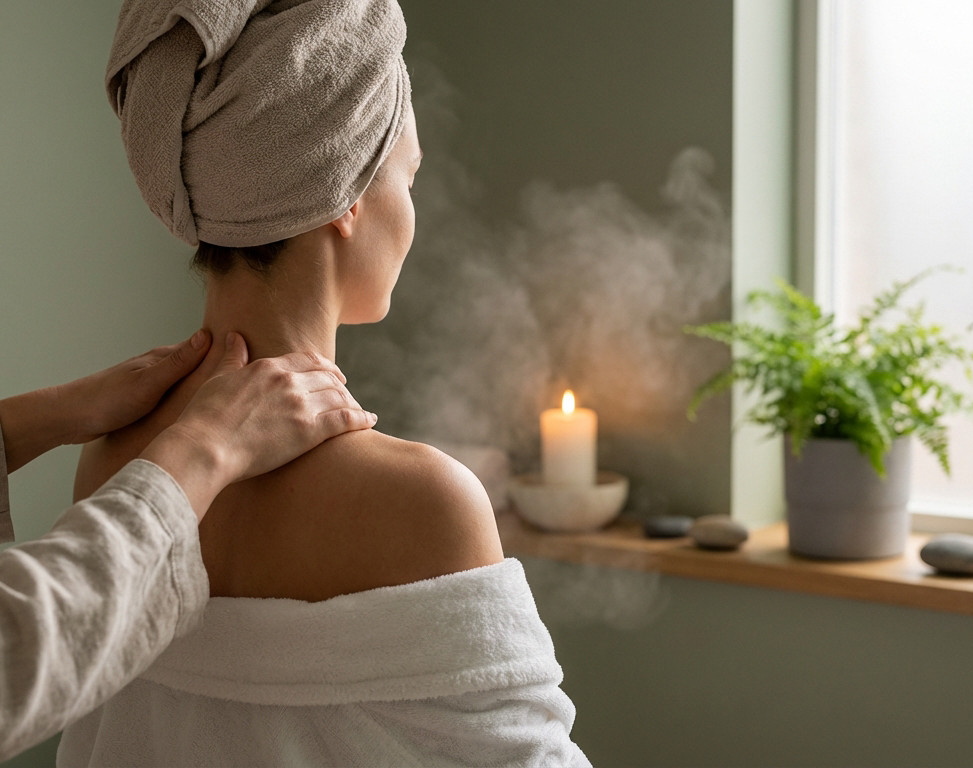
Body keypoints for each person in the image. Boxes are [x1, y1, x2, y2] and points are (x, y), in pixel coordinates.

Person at [56, 0, 590, 765]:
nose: (411, 213)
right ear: (347, 199)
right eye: (408, 176)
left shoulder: (110, 464)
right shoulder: (427, 501)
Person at [0, 328, 377, 767]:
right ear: (345, 214)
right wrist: (201, 452)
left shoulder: (109, 453)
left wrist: (57, 412)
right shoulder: (415, 492)